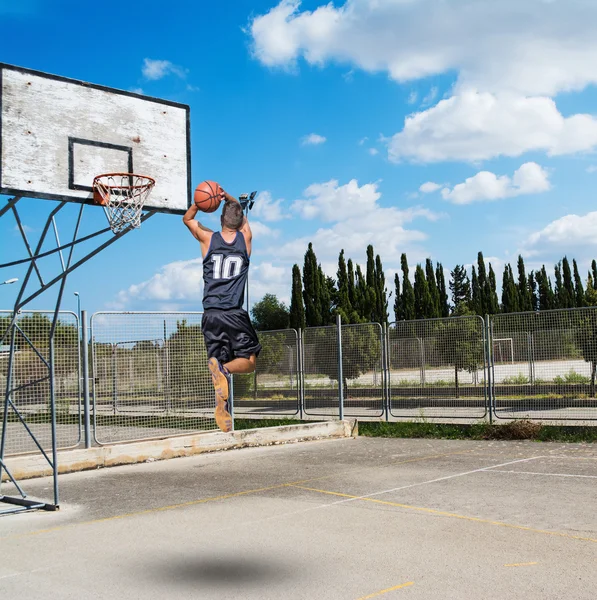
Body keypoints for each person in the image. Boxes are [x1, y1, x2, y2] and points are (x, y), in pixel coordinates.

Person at [183, 188, 261, 432]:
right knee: (249, 362)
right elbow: (243, 220)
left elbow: (187, 219)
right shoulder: (245, 238)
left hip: (211, 314)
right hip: (234, 313)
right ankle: (224, 370)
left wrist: (200, 202)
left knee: (216, 361)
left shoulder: (208, 239)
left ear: (219, 219)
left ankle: (221, 404)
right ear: (240, 223)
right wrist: (228, 197)